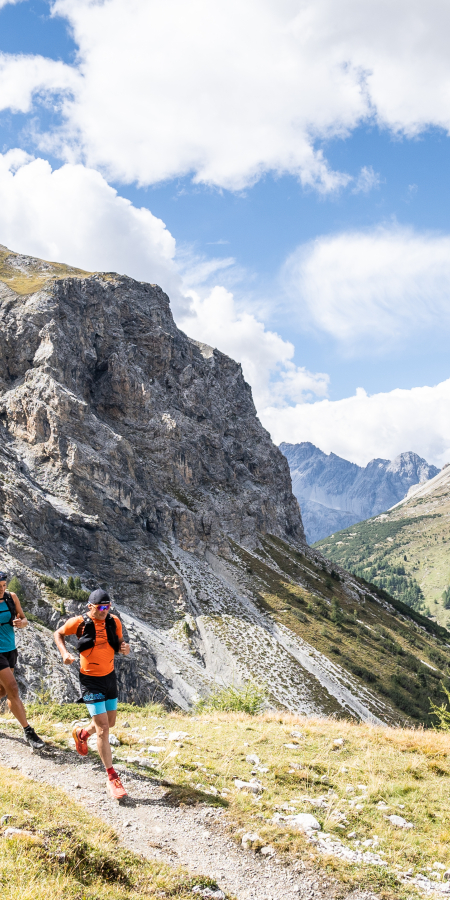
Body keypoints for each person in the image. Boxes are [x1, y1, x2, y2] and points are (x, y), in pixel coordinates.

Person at [53, 588, 130, 800]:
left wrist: (124, 648)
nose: (105, 611)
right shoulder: (78, 622)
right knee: (104, 729)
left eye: (108, 607)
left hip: (109, 677)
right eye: (100, 608)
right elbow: (58, 633)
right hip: (90, 680)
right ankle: (112, 777)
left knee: (109, 722)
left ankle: (82, 734)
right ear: (90, 607)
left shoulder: (114, 621)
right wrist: (65, 653)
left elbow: (121, 643)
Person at [0, 572, 45, 750]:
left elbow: (23, 618)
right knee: (13, 688)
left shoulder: (11, 597)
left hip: (10, 649)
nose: (2, 589)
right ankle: (28, 731)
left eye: (4, 585)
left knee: (3, 690)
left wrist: (22, 623)